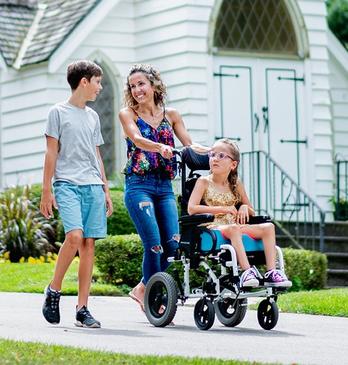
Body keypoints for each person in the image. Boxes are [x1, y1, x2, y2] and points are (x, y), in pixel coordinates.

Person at [40, 60, 113, 328]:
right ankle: (54, 290)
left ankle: (83, 309)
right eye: (97, 82)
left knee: (88, 245)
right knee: (74, 237)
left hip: (92, 185)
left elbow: (96, 155)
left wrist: (105, 188)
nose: (99, 88)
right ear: (84, 81)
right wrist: (46, 189)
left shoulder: (92, 116)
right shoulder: (57, 112)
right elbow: (51, 152)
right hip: (67, 184)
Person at [118, 64, 195, 311]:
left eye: (141, 84)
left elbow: (190, 145)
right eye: (133, 86)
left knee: (172, 245)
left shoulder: (171, 114)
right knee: (153, 244)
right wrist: (158, 147)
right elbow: (137, 139)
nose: (137, 90)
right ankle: (151, 296)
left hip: (164, 187)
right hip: (138, 185)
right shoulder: (127, 114)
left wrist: (218, 151)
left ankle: (142, 288)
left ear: (153, 85)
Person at [188, 138, 292, 288]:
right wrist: (223, 209)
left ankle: (271, 273)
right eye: (212, 155)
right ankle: (247, 271)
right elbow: (192, 208)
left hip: (233, 225)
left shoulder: (236, 184)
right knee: (234, 228)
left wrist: (243, 207)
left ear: (233, 164)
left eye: (221, 156)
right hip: (213, 226)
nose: (214, 159)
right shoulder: (203, 182)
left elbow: (251, 210)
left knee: (268, 227)